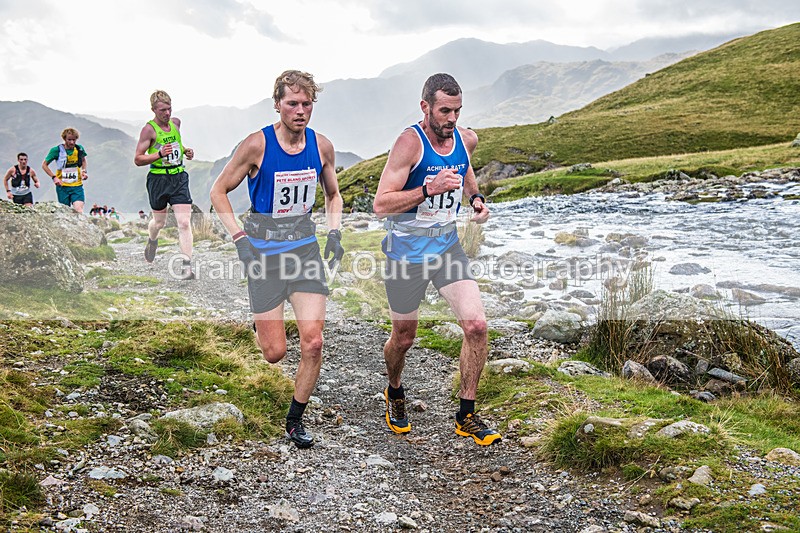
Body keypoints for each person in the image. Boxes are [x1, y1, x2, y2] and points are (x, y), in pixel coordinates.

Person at [210, 70, 344, 449]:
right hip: (264, 255)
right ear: (277, 104)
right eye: (292, 104)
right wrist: (239, 239)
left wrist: (335, 231)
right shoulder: (257, 145)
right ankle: (262, 324)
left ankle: (294, 421)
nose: (300, 111)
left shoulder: (322, 147)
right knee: (275, 353)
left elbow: (333, 195)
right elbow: (218, 191)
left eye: (306, 104)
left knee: (313, 343)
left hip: (304, 251)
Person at [372, 73, 501, 446]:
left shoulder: (465, 138)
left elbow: (465, 169)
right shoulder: (408, 144)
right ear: (425, 106)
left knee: (476, 326)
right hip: (406, 254)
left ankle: (467, 415)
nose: (452, 119)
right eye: (445, 110)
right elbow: (381, 204)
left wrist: (475, 199)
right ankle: (395, 391)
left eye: (458, 111)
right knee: (404, 336)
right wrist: (428, 188)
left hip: (446, 247)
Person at [134, 90, 195, 279]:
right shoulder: (149, 130)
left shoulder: (176, 123)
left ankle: (186, 267)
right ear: (153, 109)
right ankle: (152, 240)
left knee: (184, 222)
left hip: (178, 177)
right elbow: (138, 158)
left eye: (169, 109)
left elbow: (175, 144)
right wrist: (159, 155)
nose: (167, 114)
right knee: (159, 222)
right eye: (162, 110)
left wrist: (185, 151)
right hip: (158, 179)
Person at [42, 128, 88, 214]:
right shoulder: (56, 150)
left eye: (74, 140)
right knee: (66, 213)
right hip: (62, 187)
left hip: (77, 186)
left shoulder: (79, 149)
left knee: (78, 210)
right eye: (69, 140)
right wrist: (54, 177)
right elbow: (44, 165)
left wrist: (84, 171)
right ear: (64, 139)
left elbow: (83, 161)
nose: (72, 142)